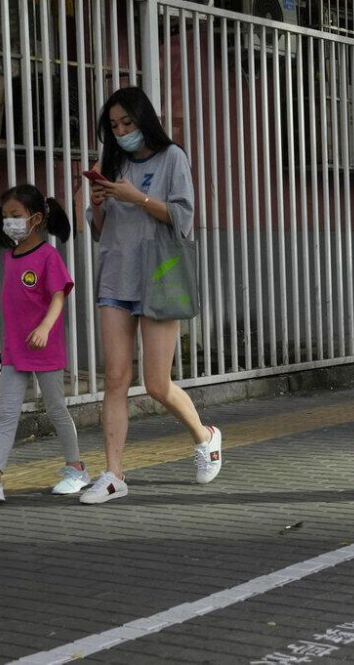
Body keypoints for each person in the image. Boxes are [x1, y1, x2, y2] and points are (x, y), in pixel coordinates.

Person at [83, 86, 221, 504]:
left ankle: (205, 436)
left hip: (159, 277)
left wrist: (137, 197)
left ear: (144, 120)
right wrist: (99, 203)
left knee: (157, 384)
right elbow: (100, 231)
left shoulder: (172, 158)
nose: (121, 131)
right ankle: (113, 474)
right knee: (116, 380)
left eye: (126, 122)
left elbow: (183, 217)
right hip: (115, 279)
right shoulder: (111, 162)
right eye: (113, 125)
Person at [0, 185, 87, 503]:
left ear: (36, 218)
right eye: (5, 217)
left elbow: (59, 296)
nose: (8, 222)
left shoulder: (48, 256)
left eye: (15, 216)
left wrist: (44, 327)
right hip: (15, 349)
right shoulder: (10, 256)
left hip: (46, 348)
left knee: (56, 409)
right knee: (8, 414)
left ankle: (77, 469)